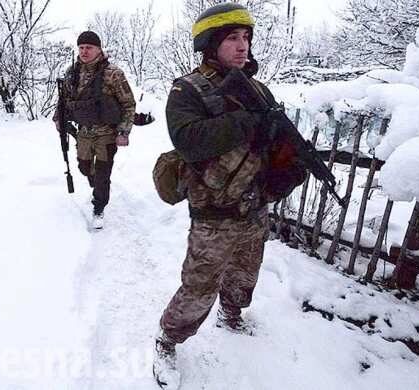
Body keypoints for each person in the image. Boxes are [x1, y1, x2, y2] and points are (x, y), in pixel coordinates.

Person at [153, 3, 307, 389]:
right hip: (214, 210)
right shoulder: (186, 89)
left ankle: (233, 315)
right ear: (210, 44)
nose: (243, 46)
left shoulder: (258, 88)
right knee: (200, 285)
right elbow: (189, 141)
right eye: (232, 38)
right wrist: (247, 122)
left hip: (254, 206)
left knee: (245, 274)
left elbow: (271, 144)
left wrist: (289, 163)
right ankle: (168, 340)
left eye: (246, 37)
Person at [53, 31, 136, 229]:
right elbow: (64, 100)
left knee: (102, 173)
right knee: (83, 167)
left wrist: (123, 132)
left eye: (89, 47)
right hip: (83, 132)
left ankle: (98, 207)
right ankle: (96, 186)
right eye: (81, 47)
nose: (84, 51)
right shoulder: (71, 72)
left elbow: (128, 104)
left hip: (106, 133)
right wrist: (58, 118)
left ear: (99, 49)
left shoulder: (113, 73)